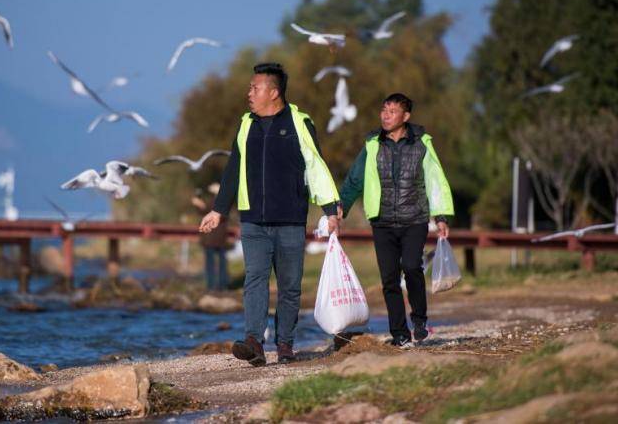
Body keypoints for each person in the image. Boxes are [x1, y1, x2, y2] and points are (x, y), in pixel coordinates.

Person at [199, 62, 340, 366]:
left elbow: (315, 166)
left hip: (290, 219)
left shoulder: (300, 122)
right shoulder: (246, 124)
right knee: (255, 279)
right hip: (253, 219)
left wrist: (330, 208)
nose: (249, 93)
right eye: (250, 87)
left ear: (273, 92)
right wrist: (219, 210)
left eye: (255, 88)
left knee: (289, 286)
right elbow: (233, 169)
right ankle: (254, 341)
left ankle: (285, 344)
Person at [339, 93, 453, 347]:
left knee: (412, 267)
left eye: (392, 111)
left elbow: (435, 180)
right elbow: (356, 178)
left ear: (406, 116)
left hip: (414, 219)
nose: (386, 116)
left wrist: (441, 216)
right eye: (384, 110)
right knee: (389, 279)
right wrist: (341, 208)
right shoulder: (372, 144)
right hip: (382, 221)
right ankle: (400, 334)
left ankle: (420, 320)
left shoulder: (422, 143)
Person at [191, 183, 230, 291]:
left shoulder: (221, 201)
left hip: (214, 238)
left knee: (214, 263)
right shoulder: (220, 201)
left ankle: (214, 285)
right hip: (216, 238)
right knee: (218, 263)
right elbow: (204, 212)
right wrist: (199, 205)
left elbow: (210, 211)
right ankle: (218, 285)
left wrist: (200, 204)